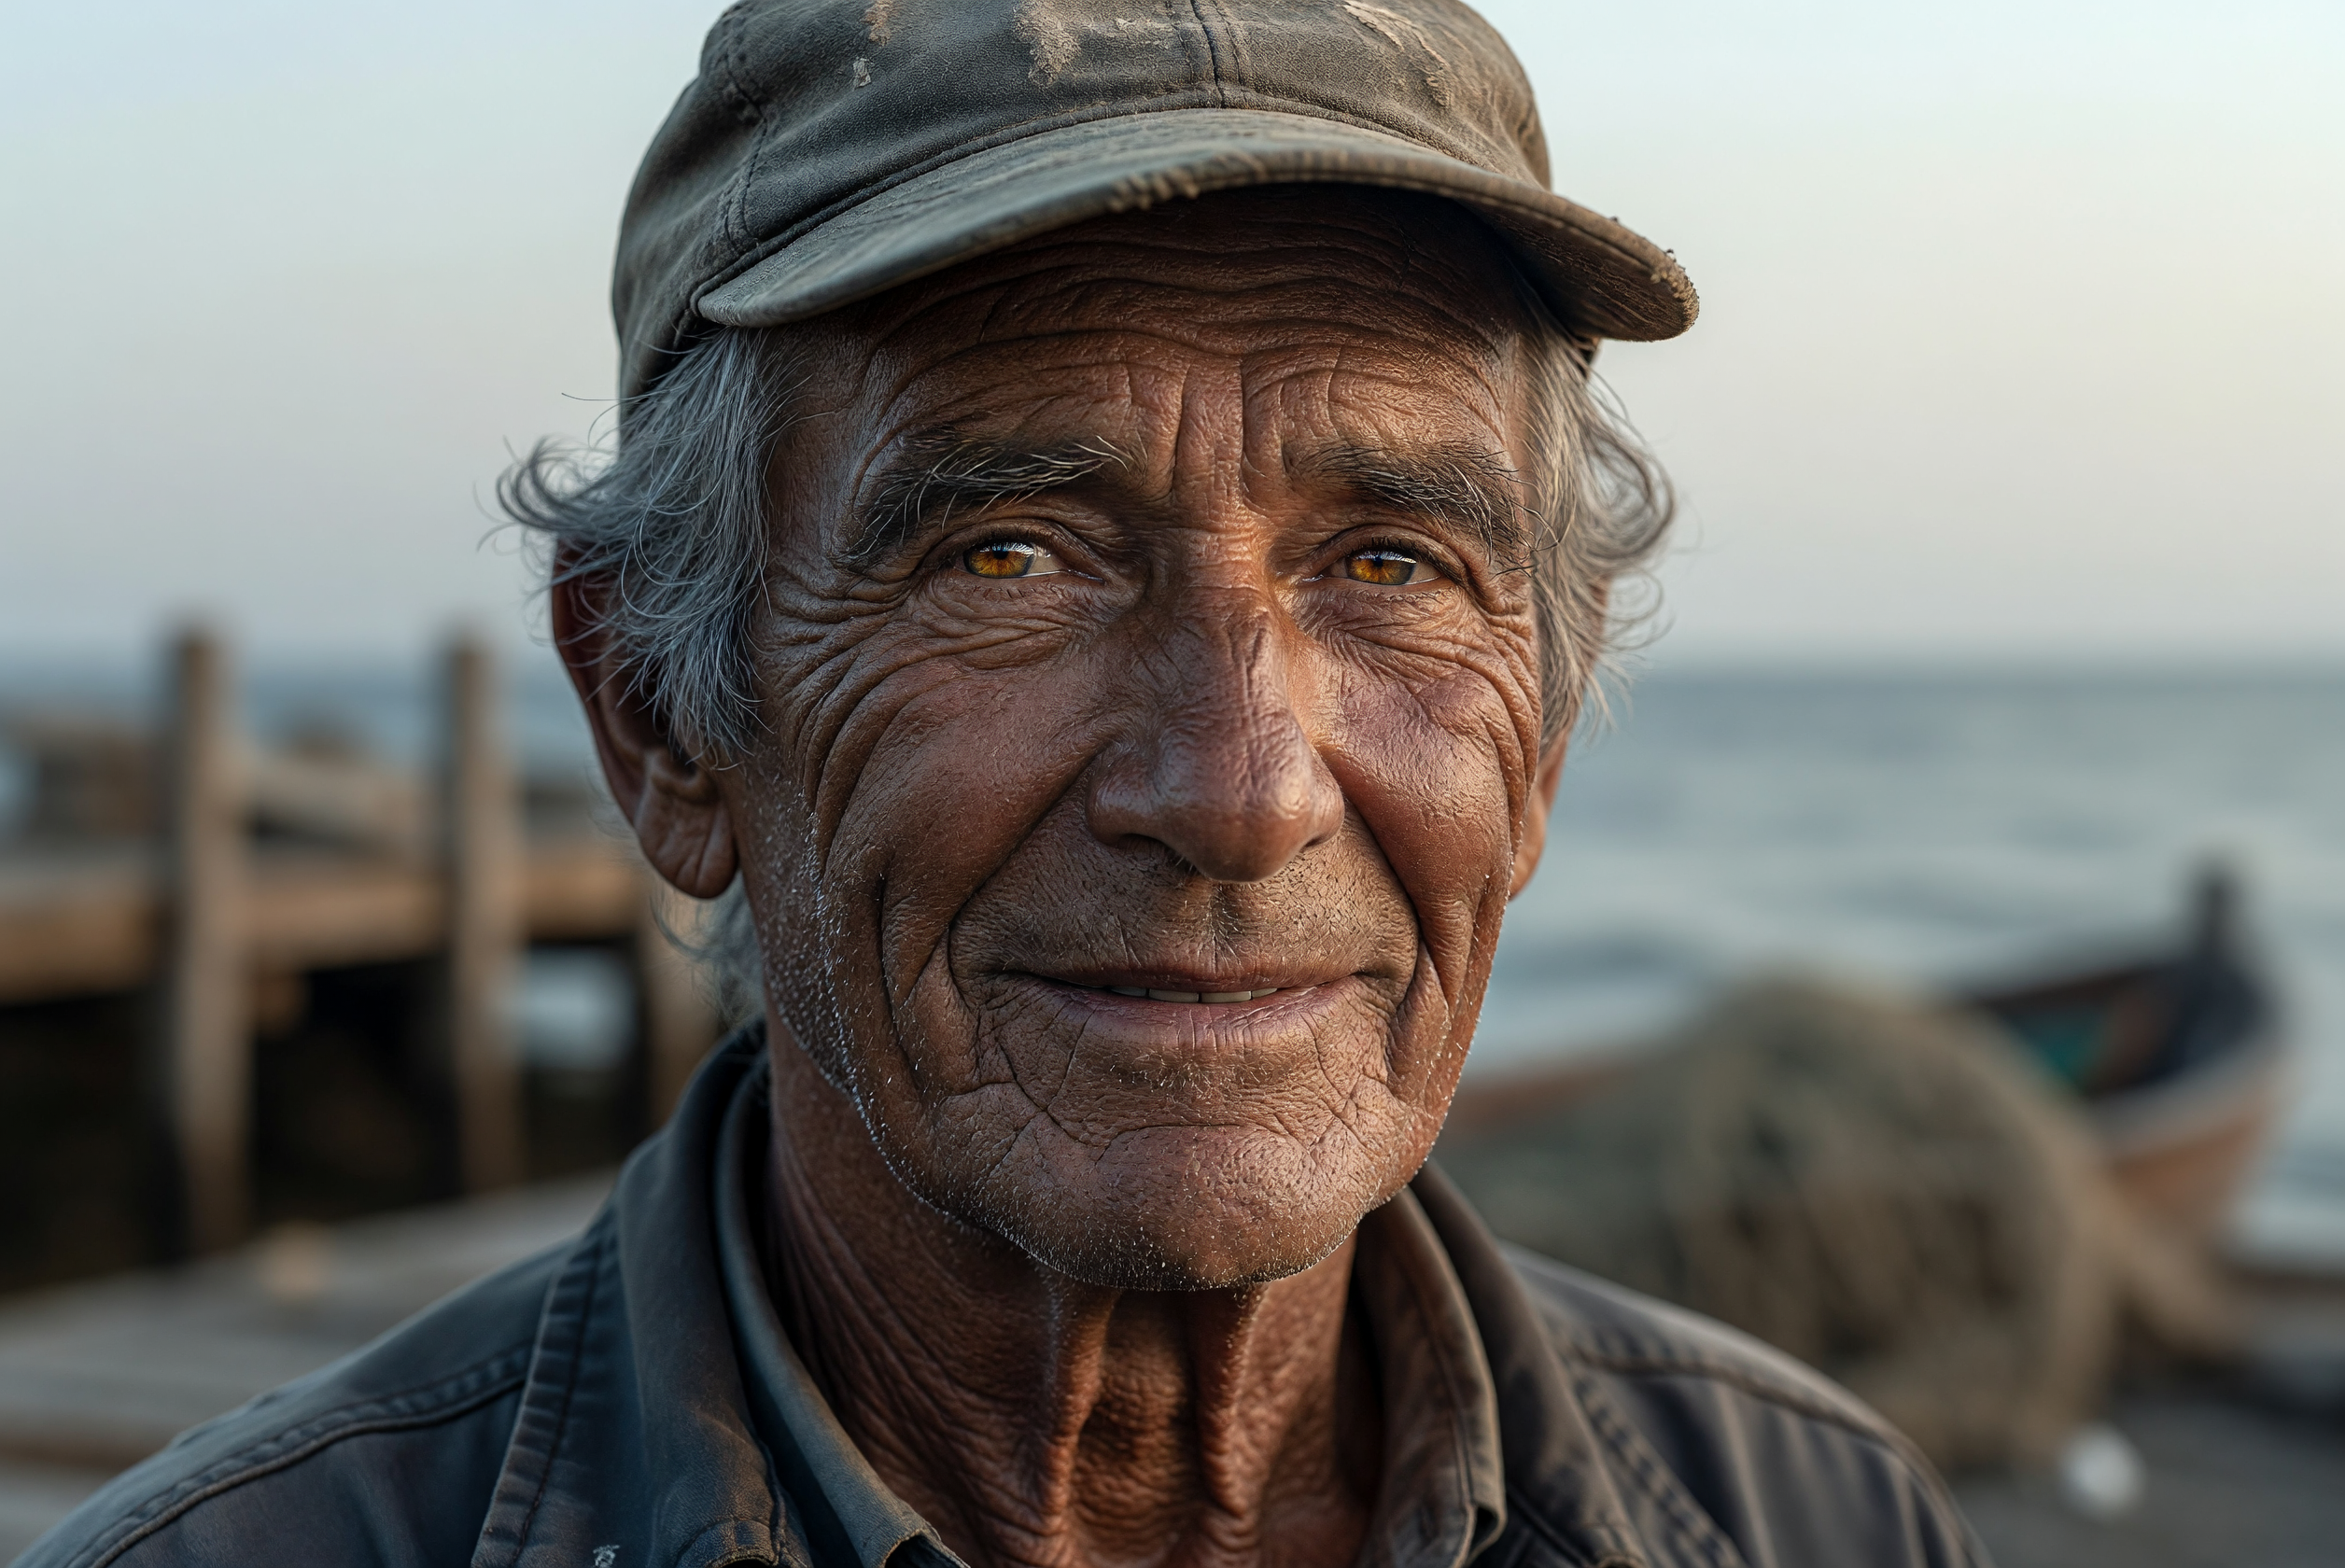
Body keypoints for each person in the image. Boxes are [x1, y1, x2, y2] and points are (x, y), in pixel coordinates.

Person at [29, 4, 1989, 1565]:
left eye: (1387, 567)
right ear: (656, 712)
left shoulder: (1802, 1517)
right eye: (1010, 557)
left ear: (1538, 732)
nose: (1234, 791)